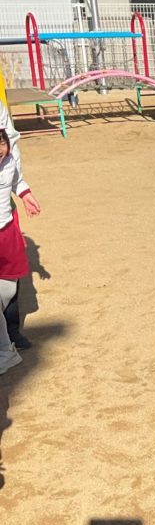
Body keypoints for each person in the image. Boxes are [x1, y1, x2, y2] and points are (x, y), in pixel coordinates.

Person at [0, 128, 40, 375]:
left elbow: (16, 180)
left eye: (2, 143)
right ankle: (6, 352)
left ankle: (7, 348)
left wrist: (25, 194)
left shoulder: (10, 162)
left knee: (8, 291)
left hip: (7, 235)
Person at [0, 103, 30, 351]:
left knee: (9, 277)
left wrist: (21, 189)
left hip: (4, 214)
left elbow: (9, 137)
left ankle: (11, 330)